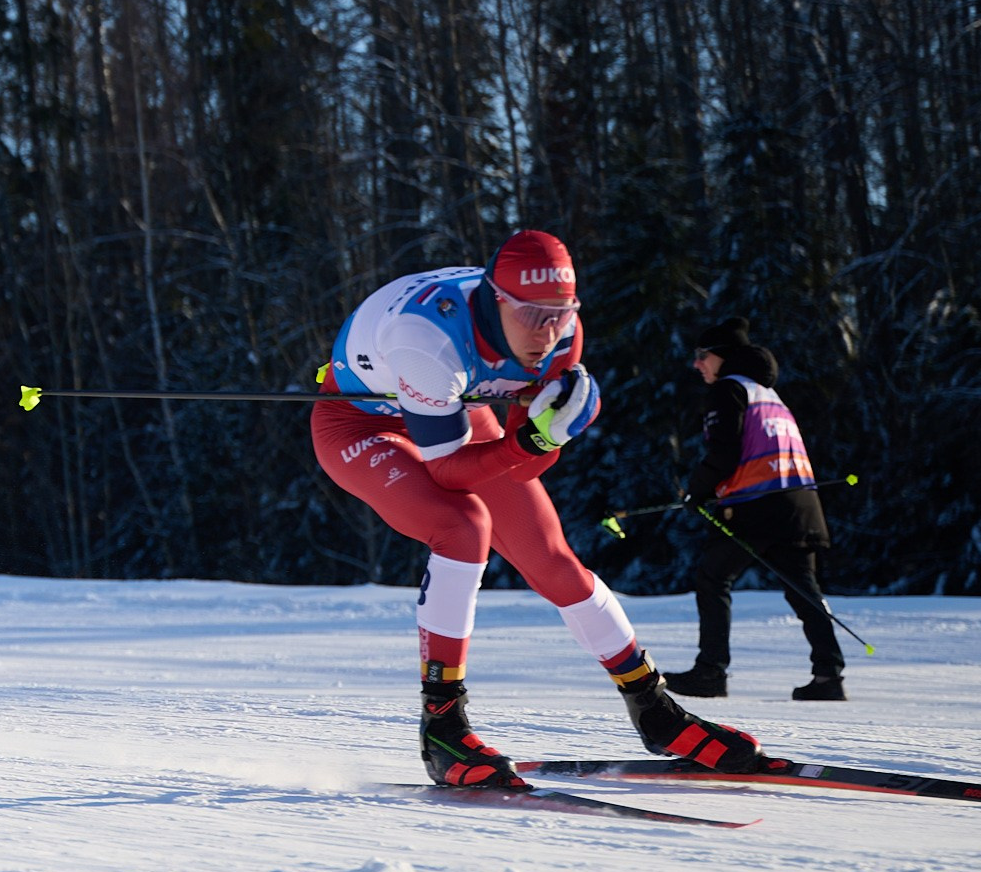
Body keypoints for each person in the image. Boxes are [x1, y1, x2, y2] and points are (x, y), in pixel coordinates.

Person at [314, 231, 766, 788]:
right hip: (361, 423)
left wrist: (547, 437)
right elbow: (448, 473)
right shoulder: (426, 341)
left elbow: (520, 470)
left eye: (559, 314)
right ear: (496, 300)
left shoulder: (561, 333)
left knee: (552, 558)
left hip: (456, 410)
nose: (546, 332)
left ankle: (653, 708)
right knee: (463, 526)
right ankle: (442, 726)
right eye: (531, 315)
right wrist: (530, 441)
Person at [666, 317, 845, 702]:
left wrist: (697, 491)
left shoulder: (729, 390)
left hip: (757, 506)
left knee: (713, 578)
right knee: (804, 590)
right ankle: (829, 675)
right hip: (799, 505)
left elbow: (724, 452)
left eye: (703, 356)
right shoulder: (768, 394)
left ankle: (711, 672)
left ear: (724, 357)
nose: (697, 364)